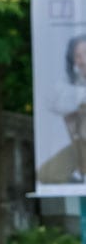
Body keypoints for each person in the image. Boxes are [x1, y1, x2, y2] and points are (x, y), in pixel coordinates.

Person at [38, 34, 86, 183]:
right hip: (78, 148)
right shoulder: (68, 81)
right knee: (45, 174)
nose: (83, 60)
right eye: (78, 56)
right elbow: (51, 101)